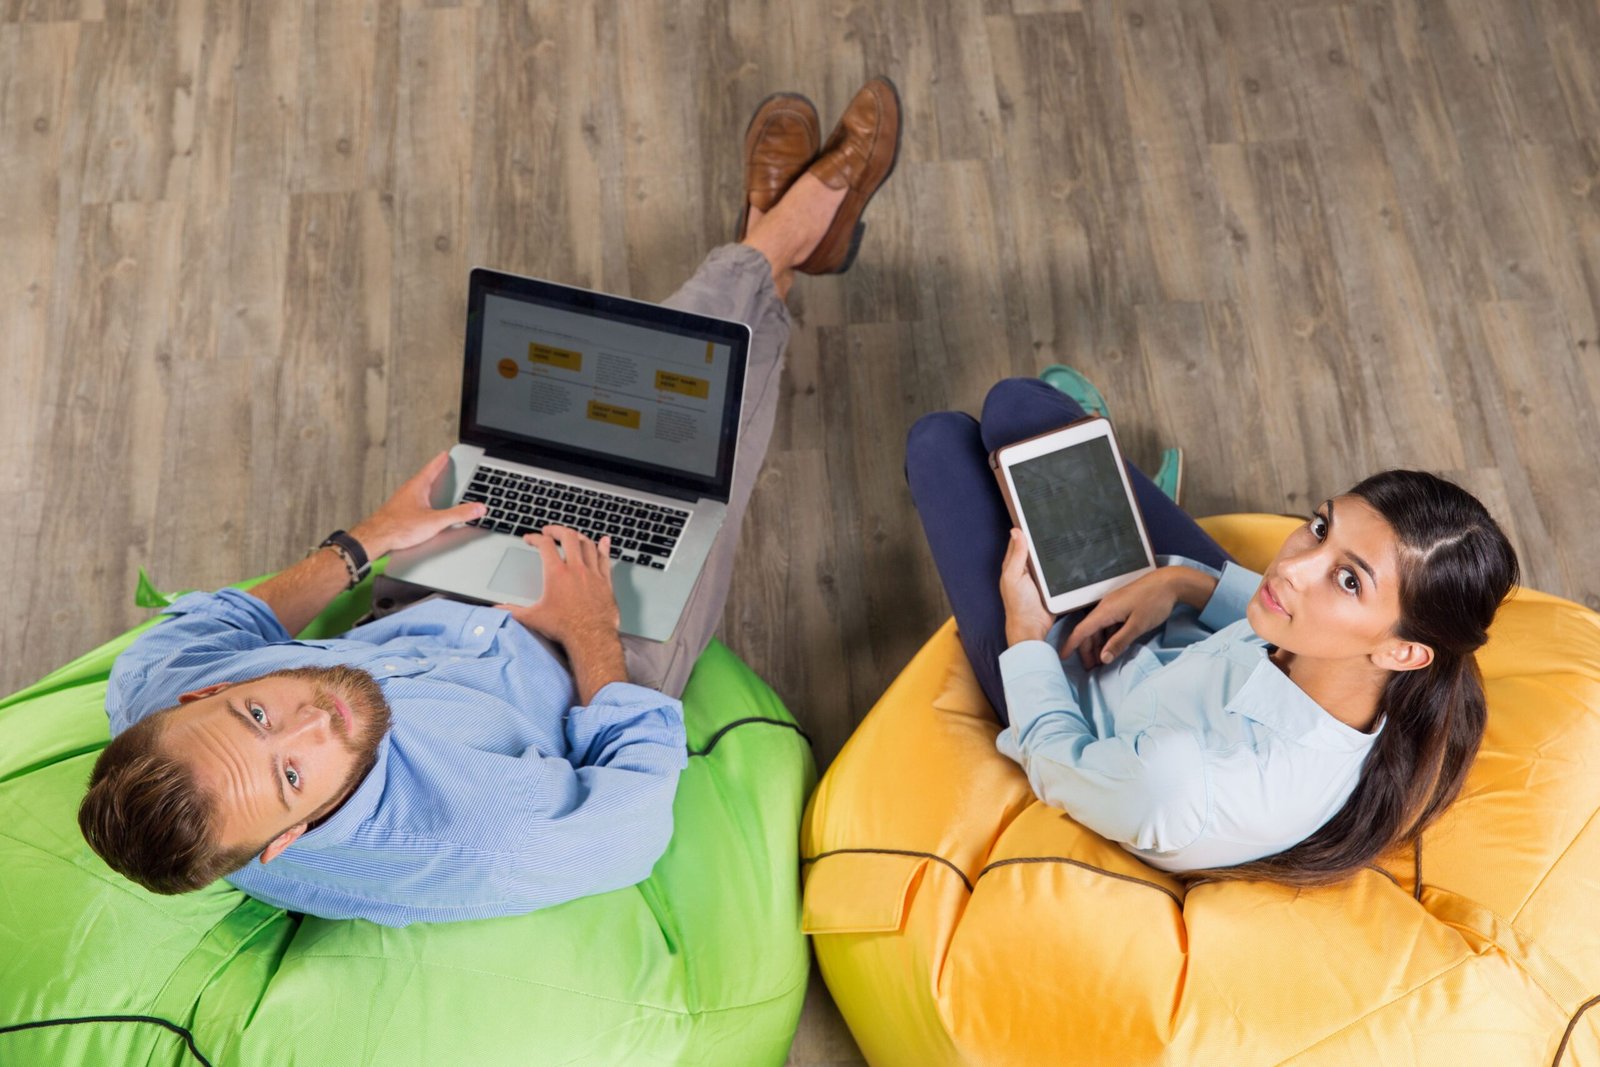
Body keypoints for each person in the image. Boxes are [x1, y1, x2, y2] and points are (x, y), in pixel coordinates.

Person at [77, 79, 902, 926]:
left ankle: (769, 254)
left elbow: (220, 622)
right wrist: (590, 634)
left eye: (256, 711)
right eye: (292, 776)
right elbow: (636, 814)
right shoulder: (480, 841)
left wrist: (367, 540)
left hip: (429, 598)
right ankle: (787, 236)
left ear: (193, 701)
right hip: (584, 652)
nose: (314, 721)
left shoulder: (156, 689)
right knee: (691, 440)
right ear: (289, 840)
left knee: (576, 416)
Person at [906, 377, 1519, 885]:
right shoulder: (1345, 663)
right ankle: (1100, 514)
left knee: (940, 442)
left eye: (1349, 580)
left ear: (1404, 650)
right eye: (1319, 526)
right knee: (1020, 405)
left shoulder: (1189, 782)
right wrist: (1182, 586)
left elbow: (1054, 757)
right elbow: (1269, 605)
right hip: (1169, 619)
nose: (1291, 566)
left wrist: (1026, 635)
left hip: (1070, 683)